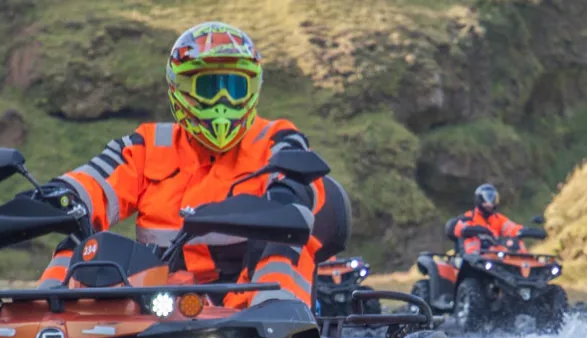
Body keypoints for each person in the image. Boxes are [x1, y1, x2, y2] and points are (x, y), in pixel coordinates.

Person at [28, 21, 348, 308]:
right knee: (77, 242)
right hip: (160, 307)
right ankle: (42, 319)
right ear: (180, 89)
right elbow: (97, 180)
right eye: (209, 88)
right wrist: (57, 196)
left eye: (235, 88)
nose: (223, 101)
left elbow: (295, 176)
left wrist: (285, 195)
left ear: (253, 90)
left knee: (283, 243)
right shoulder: (149, 144)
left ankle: (281, 331)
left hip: (247, 306)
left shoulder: (276, 138)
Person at [448, 183, 523, 255]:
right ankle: (474, 258)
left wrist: (524, 231)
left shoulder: (498, 218)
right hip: (471, 257)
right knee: (473, 239)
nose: (490, 204)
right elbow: (459, 229)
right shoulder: (469, 216)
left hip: (493, 254)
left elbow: (512, 228)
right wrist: (475, 230)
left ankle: (526, 263)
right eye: (487, 199)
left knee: (517, 242)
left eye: (493, 199)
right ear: (479, 199)